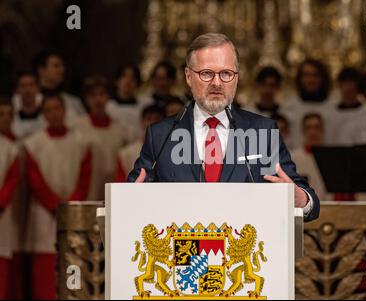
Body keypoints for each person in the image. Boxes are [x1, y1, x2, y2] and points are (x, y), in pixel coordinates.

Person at [127, 33, 320, 221]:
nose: (217, 83)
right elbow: (130, 195)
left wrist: (300, 199)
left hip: (247, 248)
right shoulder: (161, 135)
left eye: (226, 73)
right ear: (188, 76)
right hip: (181, 249)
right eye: (207, 74)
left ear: (236, 78)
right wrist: (131, 201)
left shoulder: (263, 132)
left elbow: (310, 203)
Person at [23, 94, 91, 299]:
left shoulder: (81, 142)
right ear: (44, 114)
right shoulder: (33, 144)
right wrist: (55, 205)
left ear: (64, 110)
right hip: (44, 216)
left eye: (57, 109)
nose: (54, 114)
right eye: (49, 110)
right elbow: (35, 180)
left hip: (73, 213)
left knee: (73, 267)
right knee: (44, 272)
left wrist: (70, 205)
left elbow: (84, 177)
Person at [74, 75, 127, 200]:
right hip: (87, 193)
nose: (98, 100)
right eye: (93, 96)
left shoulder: (122, 129)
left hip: (115, 192)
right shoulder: (76, 127)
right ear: (87, 99)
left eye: (102, 94)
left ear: (108, 97)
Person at [282, 59, 336, 149]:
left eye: (315, 75)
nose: (310, 80)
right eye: (306, 75)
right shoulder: (288, 109)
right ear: (300, 79)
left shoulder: (335, 107)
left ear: (323, 78)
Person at [0, 98, 20, 300]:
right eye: (1, 114)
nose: (5, 119)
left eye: (9, 114)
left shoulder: (10, 148)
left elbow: (12, 179)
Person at [115, 104, 165, 182]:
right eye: (149, 119)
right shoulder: (126, 153)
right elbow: (120, 182)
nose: (152, 122)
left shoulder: (169, 152)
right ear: (141, 122)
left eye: (156, 119)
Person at [33, 50, 85, 125]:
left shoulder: (74, 101)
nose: (62, 70)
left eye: (62, 66)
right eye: (56, 66)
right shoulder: (30, 103)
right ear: (41, 70)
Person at [290, 113, 332, 201]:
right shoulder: (292, 158)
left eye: (317, 127)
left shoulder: (333, 158)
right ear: (302, 131)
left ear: (323, 130)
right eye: (308, 128)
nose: (313, 132)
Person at [106, 65, 150, 142]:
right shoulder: (108, 107)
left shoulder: (145, 106)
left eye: (132, 78)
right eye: (124, 76)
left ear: (137, 83)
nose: (128, 81)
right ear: (117, 81)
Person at [326, 67, 366, 145]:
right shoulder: (330, 114)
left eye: (352, 83)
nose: (349, 87)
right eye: (346, 82)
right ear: (340, 85)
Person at [11, 72, 45, 139]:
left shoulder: (48, 111)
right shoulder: (9, 113)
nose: (27, 90)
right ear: (17, 90)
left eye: (31, 85)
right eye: (23, 86)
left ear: (38, 88)